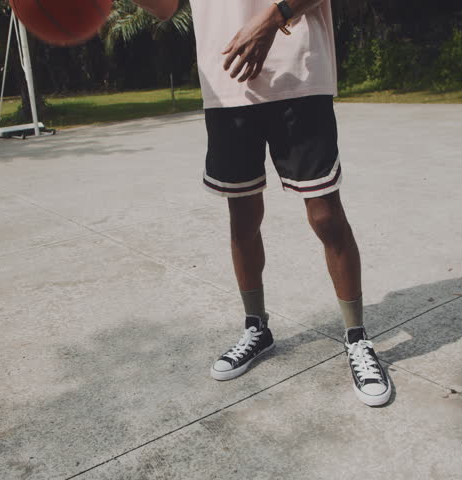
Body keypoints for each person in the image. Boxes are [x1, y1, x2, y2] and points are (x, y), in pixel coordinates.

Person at [134, 0, 391, 407]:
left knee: (325, 216)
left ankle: (357, 336)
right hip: (227, 84)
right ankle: (257, 328)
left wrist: (273, 19)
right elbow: (164, 8)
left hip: (297, 73)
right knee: (243, 215)